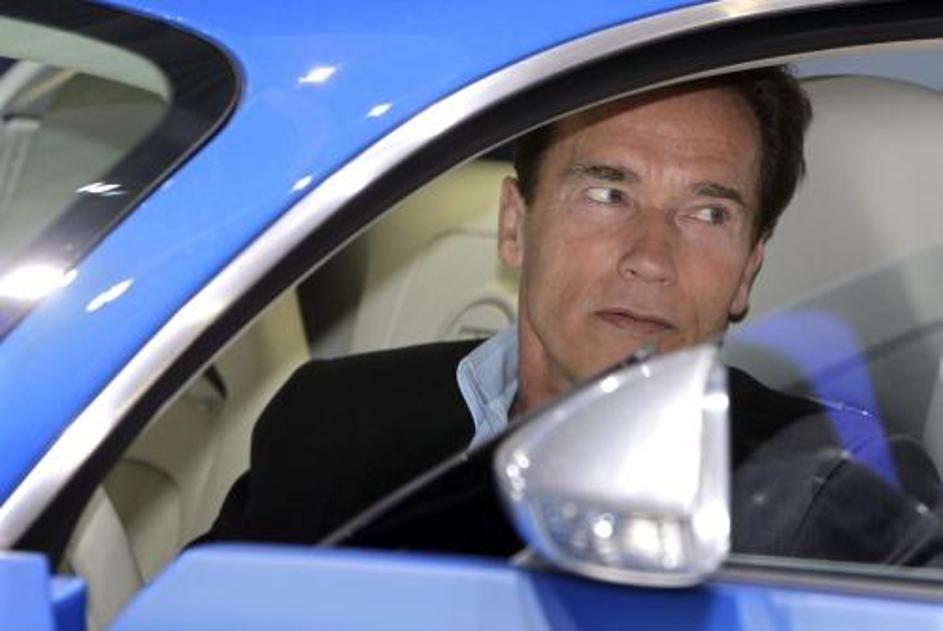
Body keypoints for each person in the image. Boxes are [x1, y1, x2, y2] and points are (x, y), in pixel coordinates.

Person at [198, 67, 943, 565]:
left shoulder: (833, 491)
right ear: (515, 227)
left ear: (746, 269)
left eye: (707, 212)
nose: (650, 257)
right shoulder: (331, 421)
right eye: (608, 195)